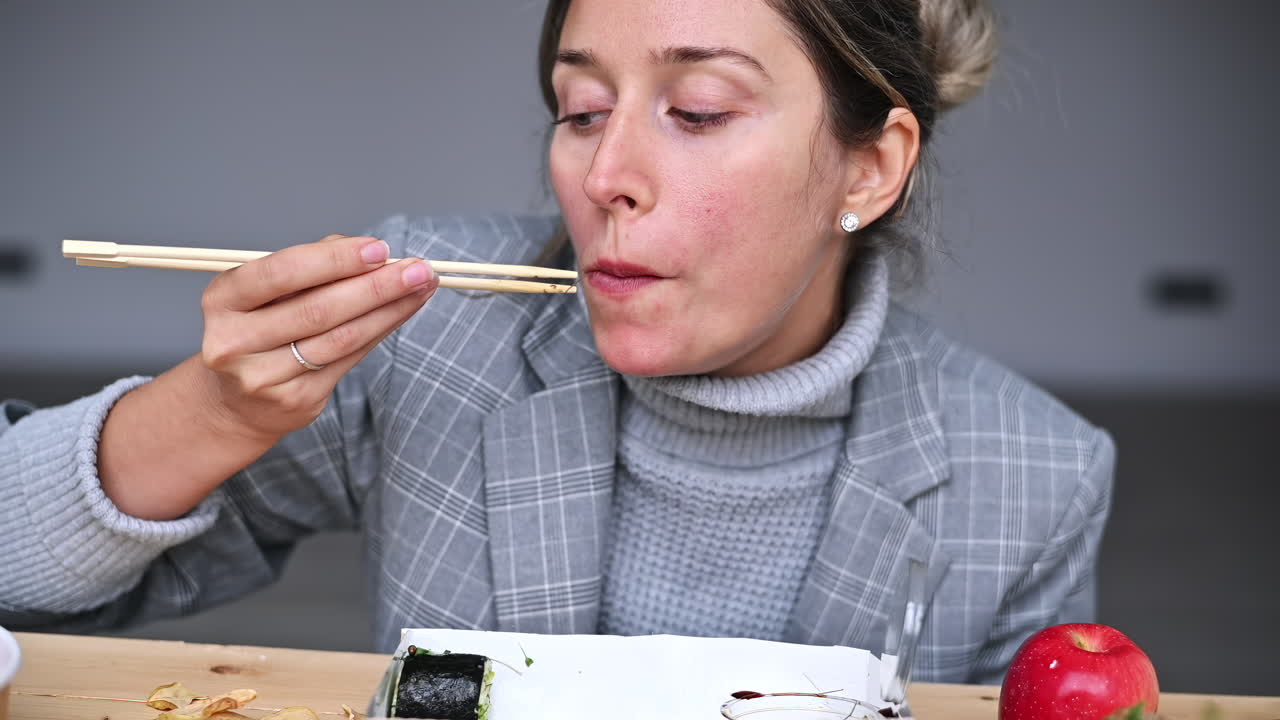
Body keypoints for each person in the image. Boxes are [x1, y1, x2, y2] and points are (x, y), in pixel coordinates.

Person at [0, 0, 1113, 685]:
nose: (604, 174)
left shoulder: (1033, 473)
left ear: (868, 167)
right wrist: (210, 412)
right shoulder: (432, 325)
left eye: (699, 111)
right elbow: (25, 587)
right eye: (582, 110)